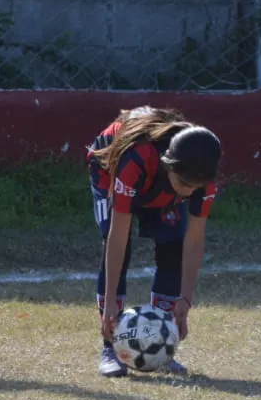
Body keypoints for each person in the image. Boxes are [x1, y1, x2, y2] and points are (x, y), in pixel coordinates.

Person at [86, 106, 222, 378]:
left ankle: (161, 344)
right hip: (109, 171)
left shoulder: (200, 178)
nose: (189, 192)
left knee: (173, 244)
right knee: (118, 251)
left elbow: (193, 241)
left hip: (158, 181)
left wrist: (185, 299)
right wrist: (111, 301)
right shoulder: (138, 159)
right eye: (185, 184)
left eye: (196, 187)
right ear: (169, 165)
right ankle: (110, 348)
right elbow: (118, 236)